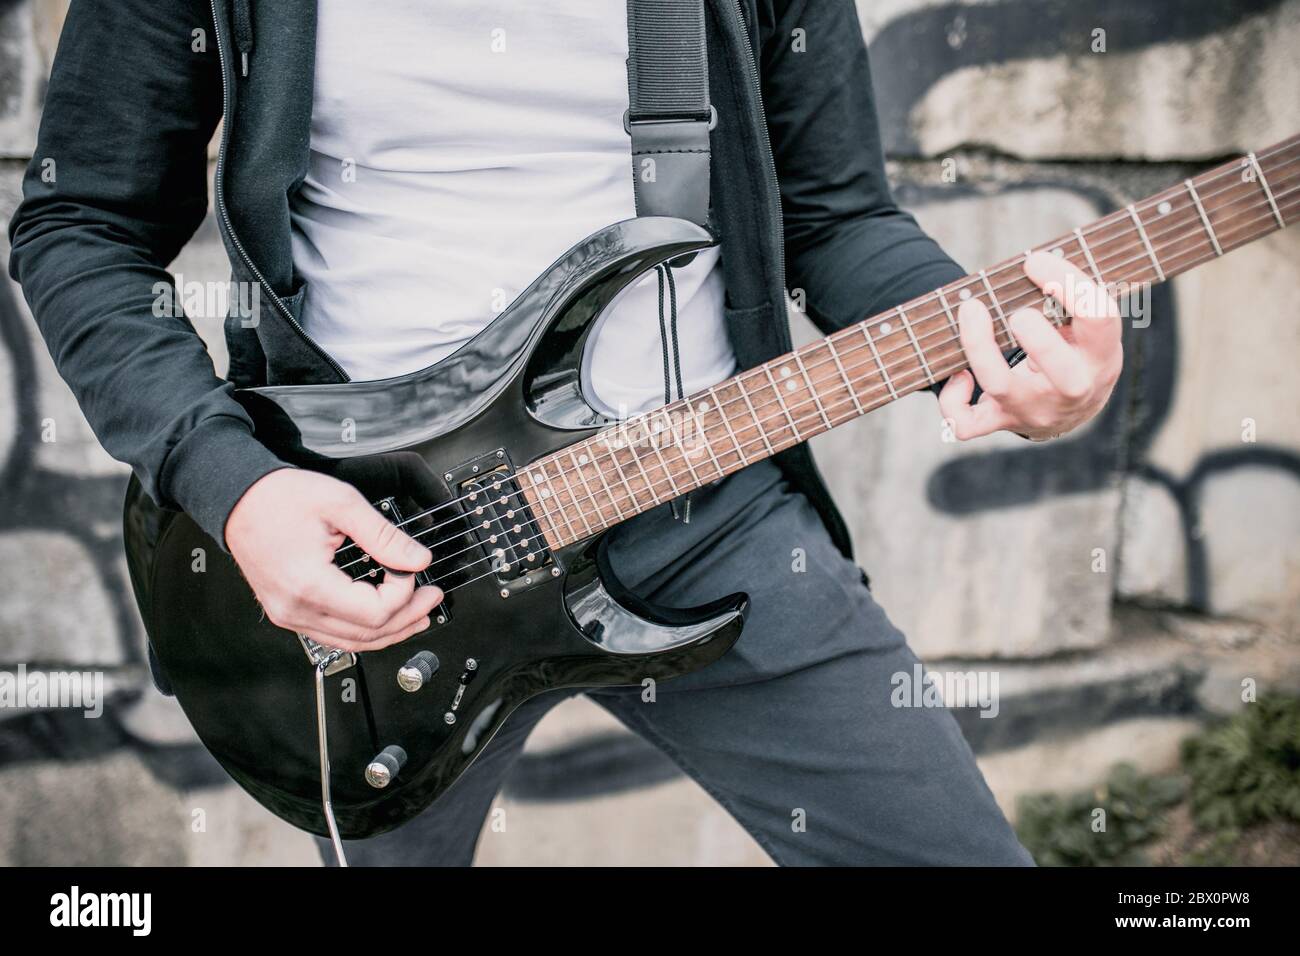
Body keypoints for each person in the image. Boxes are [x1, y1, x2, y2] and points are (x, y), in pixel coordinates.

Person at [9, 0, 1120, 866]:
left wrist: (991, 342)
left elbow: (835, 214)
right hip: (385, 550)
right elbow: (81, 224)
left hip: (711, 514)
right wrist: (235, 486)